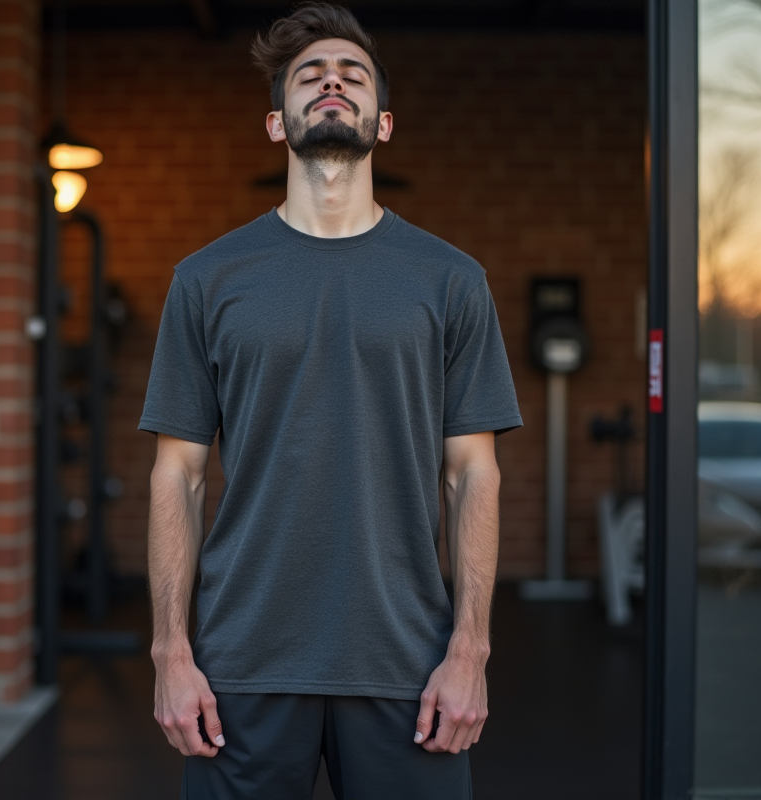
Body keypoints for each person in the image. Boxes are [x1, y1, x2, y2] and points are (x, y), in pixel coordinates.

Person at [138, 3, 523, 797]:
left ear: (384, 123)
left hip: (408, 666)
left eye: (353, 74)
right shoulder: (207, 279)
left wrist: (470, 651)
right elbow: (176, 475)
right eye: (310, 75)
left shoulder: (451, 280)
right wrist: (171, 654)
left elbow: (473, 476)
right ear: (277, 123)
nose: (333, 83)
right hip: (240, 665)